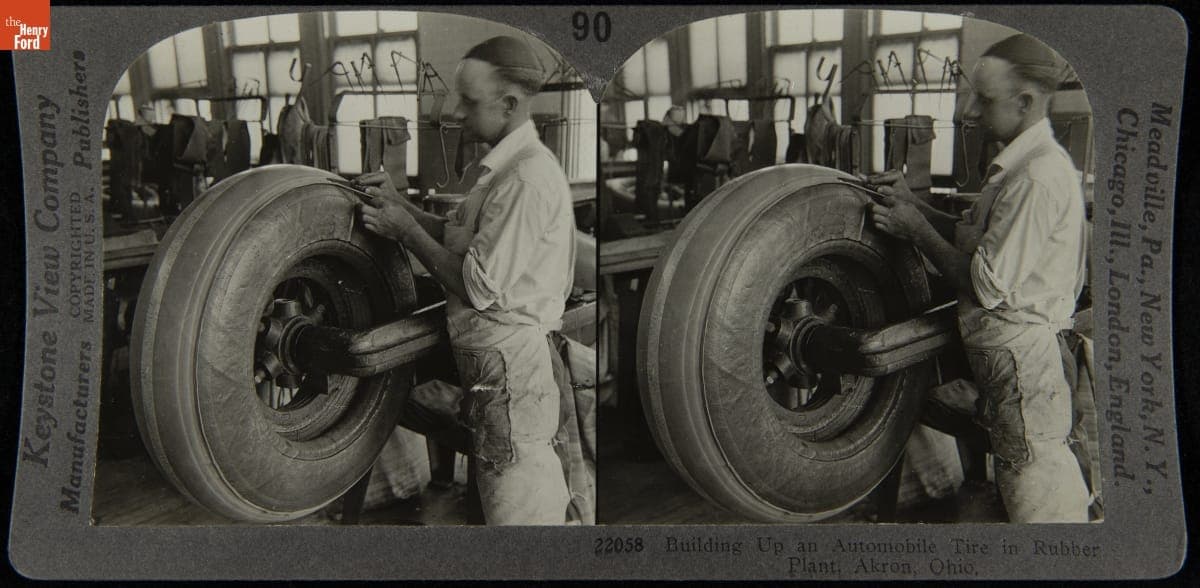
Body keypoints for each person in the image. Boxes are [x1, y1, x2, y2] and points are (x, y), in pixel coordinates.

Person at [866, 33, 1090, 522]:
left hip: (1023, 363)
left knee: (1034, 484)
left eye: (985, 99)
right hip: (1009, 360)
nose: (970, 111)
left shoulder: (1036, 177)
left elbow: (987, 285)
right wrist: (912, 204)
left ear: (1026, 101)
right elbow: (976, 239)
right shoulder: (1017, 168)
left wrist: (915, 228)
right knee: (1025, 471)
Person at [355, 36, 576, 525]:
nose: (454, 111)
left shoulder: (526, 180)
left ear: (511, 104)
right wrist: (400, 205)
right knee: (499, 499)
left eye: (468, 101)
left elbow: (478, 285)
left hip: (512, 372)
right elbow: (460, 240)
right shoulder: (502, 171)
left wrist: (405, 230)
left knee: (519, 513)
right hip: (494, 367)